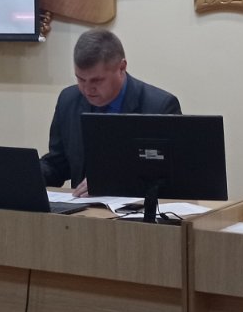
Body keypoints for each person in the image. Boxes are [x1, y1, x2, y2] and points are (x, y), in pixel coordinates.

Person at [41, 29, 181, 196]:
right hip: (83, 208)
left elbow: (170, 177)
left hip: (136, 209)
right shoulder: (68, 100)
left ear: (122, 68)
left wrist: (111, 182)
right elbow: (58, 165)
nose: (87, 89)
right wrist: (27, 175)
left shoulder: (159, 107)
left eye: (97, 80)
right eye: (80, 79)